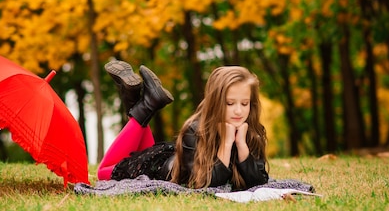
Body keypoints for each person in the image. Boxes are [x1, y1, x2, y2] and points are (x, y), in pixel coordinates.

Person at [97, 61, 269, 190]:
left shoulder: (251, 131)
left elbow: (259, 182)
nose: (238, 111)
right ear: (215, 102)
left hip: (174, 157)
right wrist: (226, 143)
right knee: (103, 173)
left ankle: (136, 99)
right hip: (154, 168)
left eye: (244, 104)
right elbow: (206, 185)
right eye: (230, 103)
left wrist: (241, 145)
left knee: (138, 146)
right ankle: (146, 104)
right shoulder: (195, 130)